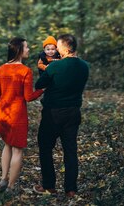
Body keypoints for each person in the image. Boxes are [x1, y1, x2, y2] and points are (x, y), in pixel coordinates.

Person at [33, 33, 89, 198]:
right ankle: (71, 189)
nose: (55, 49)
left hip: (53, 113)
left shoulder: (55, 67)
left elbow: (39, 84)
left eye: (58, 46)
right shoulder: (85, 66)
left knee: (45, 147)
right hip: (73, 112)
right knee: (70, 150)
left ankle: (49, 186)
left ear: (64, 48)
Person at [0, 37, 43, 193]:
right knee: (18, 150)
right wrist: (43, 89)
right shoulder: (25, 71)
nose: (28, 50)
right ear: (20, 50)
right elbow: (28, 97)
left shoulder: (1, 69)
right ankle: (11, 186)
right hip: (17, 116)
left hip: (2, 114)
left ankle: (3, 179)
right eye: (26, 47)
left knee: (7, 144)